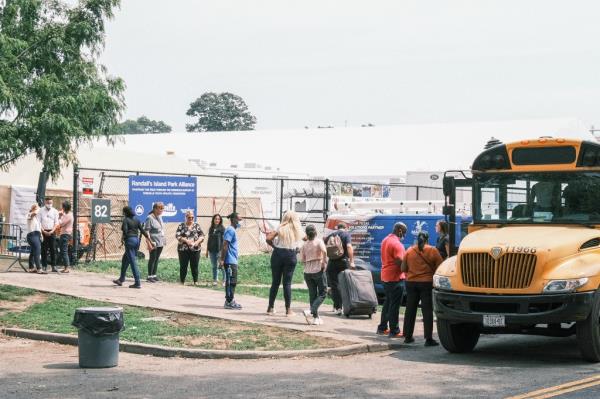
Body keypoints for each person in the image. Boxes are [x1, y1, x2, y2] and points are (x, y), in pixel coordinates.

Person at [401, 231, 444, 346]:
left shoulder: (409, 251)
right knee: (427, 310)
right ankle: (428, 339)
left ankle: (408, 336)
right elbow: (441, 266)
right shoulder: (433, 250)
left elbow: (403, 268)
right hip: (426, 283)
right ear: (427, 239)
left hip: (411, 283)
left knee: (410, 309)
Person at [266, 211, 304, 316]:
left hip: (278, 254)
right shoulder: (297, 229)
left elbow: (268, 238)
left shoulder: (280, 228)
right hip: (290, 255)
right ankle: (288, 310)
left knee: (275, 282)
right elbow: (306, 239)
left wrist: (274, 246)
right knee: (287, 283)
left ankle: (270, 308)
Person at [377, 222, 408, 338]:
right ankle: (394, 330)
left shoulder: (385, 240)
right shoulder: (397, 244)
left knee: (388, 303)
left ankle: (382, 328)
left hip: (385, 276)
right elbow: (400, 261)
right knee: (394, 305)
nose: (404, 235)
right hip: (395, 278)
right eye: (404, 232)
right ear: (399, 230)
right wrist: (408, 270)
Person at [113, 206, 153, 288]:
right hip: (136, 240)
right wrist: (150, 240)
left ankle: (137, 283)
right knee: (125, 260)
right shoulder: (137, 219)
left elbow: (125, 230)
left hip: (130, 241)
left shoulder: (126, 220)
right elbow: (143, 231)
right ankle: (121, 279)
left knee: (132, 262)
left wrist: (124, 238)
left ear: (125, 212)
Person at [299, 225, 327, 325]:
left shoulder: (304, 245)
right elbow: (324, 251)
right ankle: (312, 310)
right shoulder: (319, 241)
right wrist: (324, 262)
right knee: (323, 293)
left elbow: (302, 259)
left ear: (306, 233)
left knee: (312, 294)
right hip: (318, 269)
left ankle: (316, 318)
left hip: (307, 272)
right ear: (315, 232)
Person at [325, 222, 355, 315]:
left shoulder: (330, 235)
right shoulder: (346, 235)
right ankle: (345, 306)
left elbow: (323, 247)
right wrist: (352, 261)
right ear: (345, 228)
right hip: (343, 262)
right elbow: (349, 247)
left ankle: (337, 307)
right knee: (344, 285)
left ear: (337, 228)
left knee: (334, 286)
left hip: (331, 263)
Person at [220, 212, 243, 310]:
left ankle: (230, 300)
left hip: (233, 260)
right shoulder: (230, 230)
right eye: (238, 219)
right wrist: (222, 259)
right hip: (229, 261)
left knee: (233, 281)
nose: (239, 222)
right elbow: (225, 245)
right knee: (230, 281)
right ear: (233, 219)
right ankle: (229, 302)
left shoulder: (233, 230)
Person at [176, 210, 205, 285]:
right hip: (183, 249)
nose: (191, 219)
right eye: (189, 217)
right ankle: (182, 281)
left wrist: (197, 242)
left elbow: (202, 235)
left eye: (192, 217)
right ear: (186, 217)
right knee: (183, 266)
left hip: (195, 249)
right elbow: (177, 235)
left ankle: (195, 281)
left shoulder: (197, 225)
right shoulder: (181, 225)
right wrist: (186, 240)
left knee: (195, 265)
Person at [144, 202, 166, 283]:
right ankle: (149, 276)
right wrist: (149, 242)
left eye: (162, 208)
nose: (162, 210)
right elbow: (146, 231)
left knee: (156, 259)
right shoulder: (149, 218)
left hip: (160, 241)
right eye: (160, 208)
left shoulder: (160, 217)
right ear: (155, 209)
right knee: (152, 258)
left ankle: (154, 275)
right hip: (153, 242)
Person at [39, 197, 59, 272]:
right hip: (43, 231)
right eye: (48, 203)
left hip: (52, 231)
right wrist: (43, 231)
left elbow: (56, 223)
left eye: (50, 203)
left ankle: (54, 266)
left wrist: (52, 231)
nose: (49, 204)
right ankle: (44, 265)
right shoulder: (40, 211)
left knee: (53, 249)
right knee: (43, 249)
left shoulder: (55, 211)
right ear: (45, 202)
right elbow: (39, 222)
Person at [206, 214, 225, 286]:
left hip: (219, 250)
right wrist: (207, 251)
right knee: (214, 266)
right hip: (211, 250)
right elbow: (209, 240)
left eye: (218, 219)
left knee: (221, 265)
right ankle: (215, 280)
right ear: (213, 220)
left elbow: (224, 241)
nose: (217, 220)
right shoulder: (211, 228)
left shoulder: (222, 229)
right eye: (215, 219)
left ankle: (224, 280)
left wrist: (222, 251)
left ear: (220, 220)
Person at [26, 204, 43, 274]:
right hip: (32, 235)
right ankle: (39, 268)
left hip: (37, 235)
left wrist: (41, 235)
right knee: (37, 251)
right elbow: (34, 214)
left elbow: (39, 228)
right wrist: (39, 209)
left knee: (33, 251)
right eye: (36, 208)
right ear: (33, 209)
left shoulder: (37, 218)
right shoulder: (29, 214)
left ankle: (31, 268)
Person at [58, 201, 73, 273]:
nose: (61, 208)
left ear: (64, 207)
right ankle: (65, 267)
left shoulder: (68, 215)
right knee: (63, 250)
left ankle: (67, 267)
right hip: (65, 234)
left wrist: (60, 216)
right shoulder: (67, 214)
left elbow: (61, 223)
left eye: (62, 206)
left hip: (65, 234)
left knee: (64, 251)